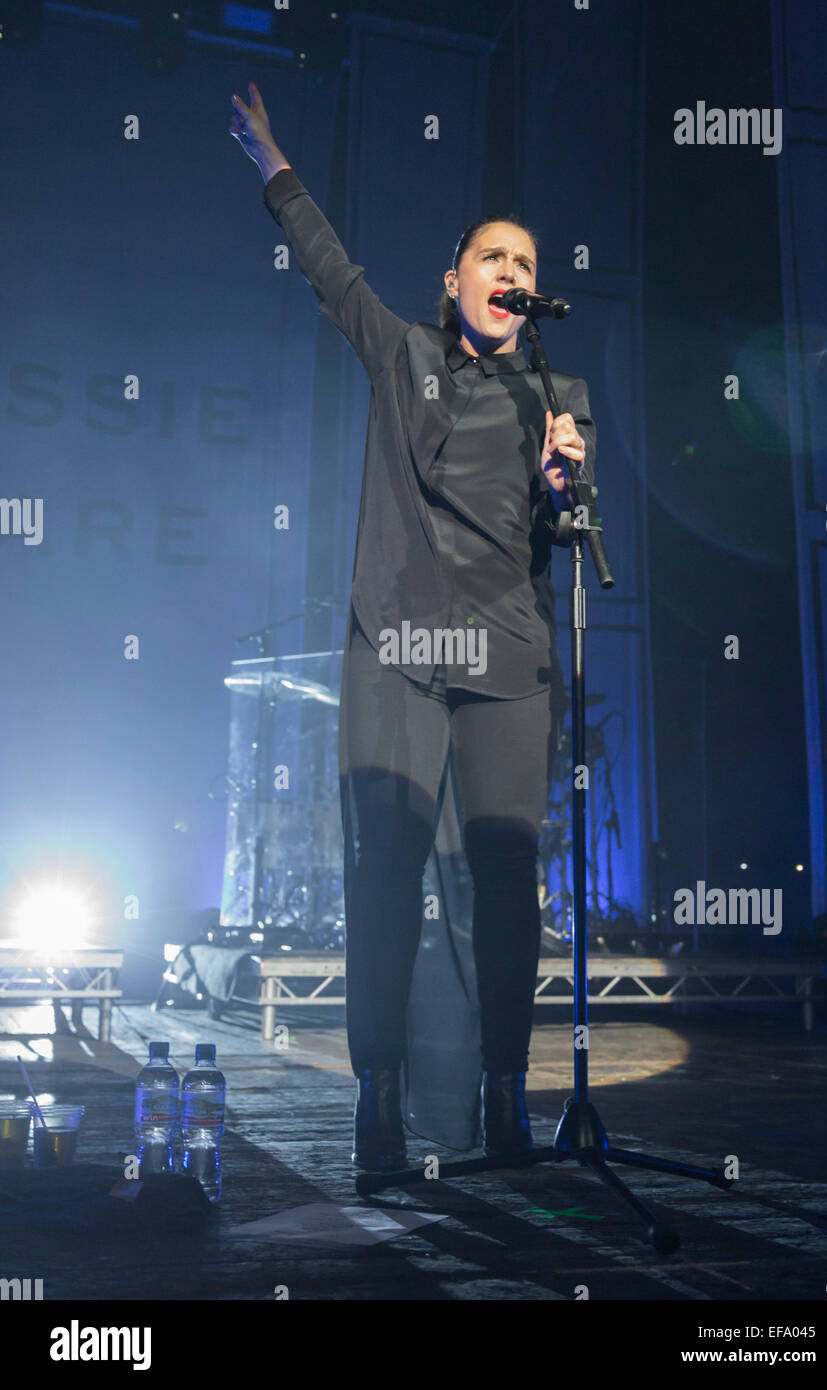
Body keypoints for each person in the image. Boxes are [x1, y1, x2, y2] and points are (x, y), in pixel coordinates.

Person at [230, 83, 596, 1171]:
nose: (511, 276)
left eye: (526, 268)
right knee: (382, 875)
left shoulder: (554, 393)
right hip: (397, 650)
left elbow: (580, 530)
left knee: (501, 884)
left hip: (506, 663)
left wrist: (564, 482)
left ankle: (501, 1095)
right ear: (454, 282)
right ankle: (376, 1098)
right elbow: (326, 265)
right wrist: (270, 162)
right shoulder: (402, 355)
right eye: (494, 258)